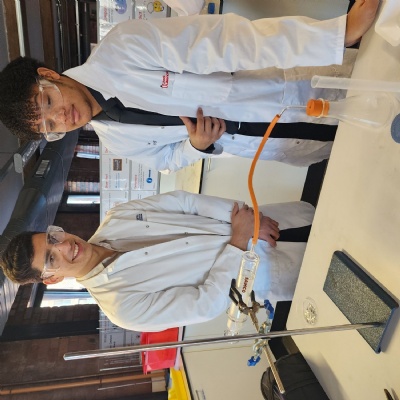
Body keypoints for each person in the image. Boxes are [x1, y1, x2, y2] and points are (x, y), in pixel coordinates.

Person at [0, 2, 379, 172]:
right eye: (50, 126)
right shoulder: (115, 139)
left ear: (48, 75)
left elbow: (231, 43)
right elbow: (166, 161)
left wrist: (335, 35)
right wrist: (195, 145)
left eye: (47, 102)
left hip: (294, 88)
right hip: (273, 143)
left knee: (380, 100)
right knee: (368, 157)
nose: (61, 117)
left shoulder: (123, 48)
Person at [0, 191, 314, 332]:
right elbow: (204, 304)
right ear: (52, 279)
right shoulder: (122, 307)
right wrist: (238, 241)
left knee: (328, 217)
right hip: (267, 269)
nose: (66, 245)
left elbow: (186, 202)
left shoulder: (117, 216)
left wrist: (248, 220)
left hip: (271, 221)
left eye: (53, 237)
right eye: (52, 257)